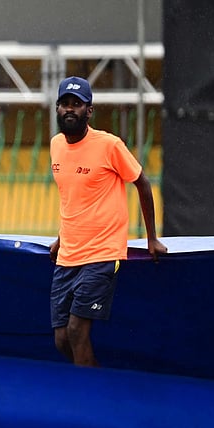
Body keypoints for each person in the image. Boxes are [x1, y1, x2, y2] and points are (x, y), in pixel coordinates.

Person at [48, 76, 166, 367]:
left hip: (102, 253)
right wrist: (62, 240)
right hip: (68, 256)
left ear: (89, 111)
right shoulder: (55, 146)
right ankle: (98, 387)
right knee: (61, 339)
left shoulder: (109, 145)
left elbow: (143, 183)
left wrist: (151, 238)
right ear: (57, 108)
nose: (70, 109)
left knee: (77, 330)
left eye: (77, 104)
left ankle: (88, 401)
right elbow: (72, 198)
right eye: (65, 104)